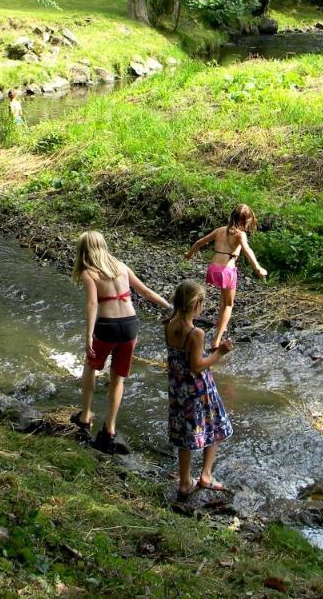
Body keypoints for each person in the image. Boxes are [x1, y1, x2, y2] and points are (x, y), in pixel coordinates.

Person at [71, 230, 171, 453]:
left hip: (107, 326)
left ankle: (85, 416)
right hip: (129, 325)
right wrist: (169, 307)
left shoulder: (90, 273)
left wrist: (88, 334)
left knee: (90, 366)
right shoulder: (121, 267)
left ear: (84, 251)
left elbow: (92, 305)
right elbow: (144, 291)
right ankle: (110, 428)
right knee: (118, 378)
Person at [165, 279, 233, 498]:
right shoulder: (196, 333)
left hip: (177, 388)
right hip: (198, 389)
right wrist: (219, 353)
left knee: (184, 433)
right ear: (196, 305)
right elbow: (196, 366)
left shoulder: (169, 324)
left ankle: (185, 481)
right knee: (215, 426)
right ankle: (205, 475)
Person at [184, 204, 268, 347]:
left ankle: (220, 323)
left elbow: (199, 242)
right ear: (245, 221)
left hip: (213, 268)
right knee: (229, 304)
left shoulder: (220, 230)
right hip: (226, 271)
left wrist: (189, 254)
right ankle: (216, 341)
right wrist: (257, 267)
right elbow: (247, 250)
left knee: (223, 300)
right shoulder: (240, 234)